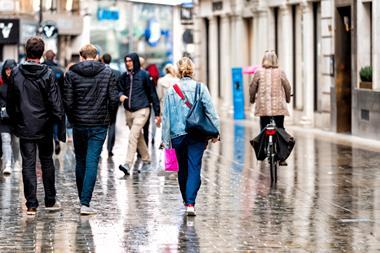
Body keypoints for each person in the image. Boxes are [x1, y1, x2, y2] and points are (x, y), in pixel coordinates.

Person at [7, 36, 65, 215]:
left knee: (28, 164)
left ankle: (31, 204)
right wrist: (58, 124)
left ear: (26, 51)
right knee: (47, 162)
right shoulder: (47, 73)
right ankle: (50, 200)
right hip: (44, 126)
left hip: (25, 125)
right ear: (41, 53)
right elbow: (56, 103)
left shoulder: (16, 72)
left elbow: (11, 102)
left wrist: (16, 120)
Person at [64, 44, 119, 215]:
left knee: (80, 160)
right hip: (99, 123)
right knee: (92, 161)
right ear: (96, 56)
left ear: (81, 56)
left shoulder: (71, 74)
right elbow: (113, 99)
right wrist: (108, 118)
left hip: (79, 123)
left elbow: (67, 101)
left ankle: (83, 199)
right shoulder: (108, 72)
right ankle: (85, 203)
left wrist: (73, 119)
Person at [162, 57, 220, 216]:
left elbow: (166, 117)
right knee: (194, 167)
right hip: (197, 134)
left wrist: (165, 141)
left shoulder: (171, 89)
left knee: (182, 169)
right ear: (192, 70)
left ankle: (186, 199)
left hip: (177, 135)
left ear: (178, 71)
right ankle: (190, 203)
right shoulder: (201, 88)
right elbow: (212, 112)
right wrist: (216, 132)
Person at [118, 53, 161, 175]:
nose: (128, 63)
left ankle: (127, 164)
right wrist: (120, 95)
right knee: (138, 136)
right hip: (128, 111)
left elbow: (153, 94)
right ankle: (147, 160)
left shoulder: (144, 75)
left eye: (130, 61)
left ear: (135, 62)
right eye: (126, 61)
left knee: (132, 136)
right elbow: (118, 89)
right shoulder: (123, 77)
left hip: (142, 110)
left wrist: (157, 113)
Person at [249, 50, 291, 165]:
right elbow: (287, 87)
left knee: (263, 129)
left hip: (263, 109)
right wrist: (288, 99)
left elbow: (252, 88)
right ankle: (282, 158)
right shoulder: (280, 72)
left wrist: (252, 99)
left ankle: (262, 151)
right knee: (280, 129)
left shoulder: (258, 72)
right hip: (278, 109)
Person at [43, 50, 65, 155]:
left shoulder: (41, 69)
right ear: (54, 57)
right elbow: (63, 88)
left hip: (43, 102)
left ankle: (46, 142)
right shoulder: (59, 71)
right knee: (55, 122)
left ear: (45, 57)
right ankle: (56, 139)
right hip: (56, 101)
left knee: (45, 122)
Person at [101, 53, 121, 157]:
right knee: (112, 124)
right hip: (114, 102)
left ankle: (99, 149)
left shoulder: (99, 71)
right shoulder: (117, 73)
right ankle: (109, 149)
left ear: (102, 60)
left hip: (101, 103)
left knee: (100, 125)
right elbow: (120, 88)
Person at [0, 59, 16, 175]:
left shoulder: (20, 84)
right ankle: (8, 164)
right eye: (7, 69)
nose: (9, 71)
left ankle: (16, 162)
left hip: (17, 118)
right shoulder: (1, 86)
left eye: (11, 68)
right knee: (6, 139)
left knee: (16, 142)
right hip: (4, 118)